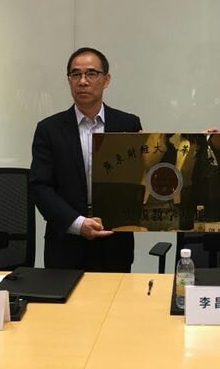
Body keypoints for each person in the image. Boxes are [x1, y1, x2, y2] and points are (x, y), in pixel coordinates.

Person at [29, 47, 141, 272]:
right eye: (75, 74)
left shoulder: (127, 125)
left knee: (114, 296)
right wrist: (78, 224)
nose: (82, 81)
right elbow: (40, 187)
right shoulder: (49, 129)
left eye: (91, 73)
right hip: (66, 244)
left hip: (114, 242)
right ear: (69, 81)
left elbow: (141, 180)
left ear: (106, 80)